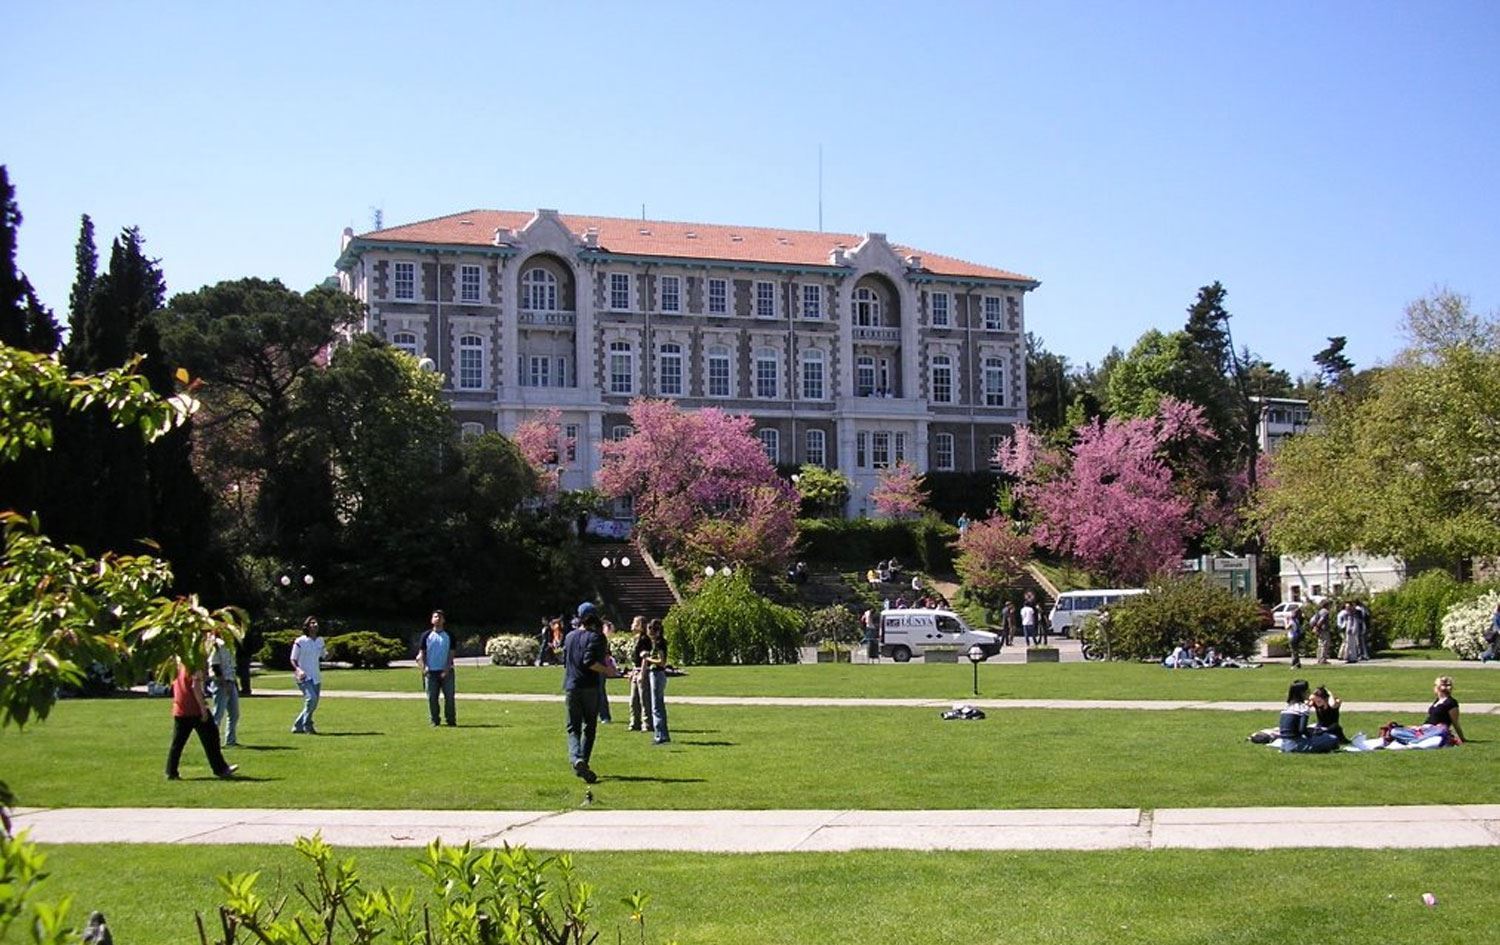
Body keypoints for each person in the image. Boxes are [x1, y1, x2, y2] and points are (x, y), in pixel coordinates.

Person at [562, 602, 618, 782]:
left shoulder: (569, 636)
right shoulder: (597, 637)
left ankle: (576, 758)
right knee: (590, 727)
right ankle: (583, 761)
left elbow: (565, 660)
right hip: (589, 687)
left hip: (571, 685)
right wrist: (608, 670)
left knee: (573, 728)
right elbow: (590, 662)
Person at [165, 660, 238, 780]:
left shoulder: (180, 663)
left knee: (178, 742)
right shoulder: (195, 664)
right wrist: (203, 709)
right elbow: (195, 687)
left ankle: (171, 771)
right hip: (194, 709)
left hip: (180, 707)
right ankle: (220, 769)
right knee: (211, 736)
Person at [417, 609, 456, 727]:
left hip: (446, 672)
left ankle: (451, 720)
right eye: (435, 617)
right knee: (432, 698)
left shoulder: (449, 635)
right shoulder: (426, 636)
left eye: (440, 617)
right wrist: (424, 668)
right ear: (431, 620)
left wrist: (447, 668)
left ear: (444, 620)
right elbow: (421, 654)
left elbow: (451, 654)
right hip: (431, 672)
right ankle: (434, 720)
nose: (437, 619)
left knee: (449, 697)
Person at [1276, 679, 1339, 753]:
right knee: (1333, 739)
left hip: (1284, 744)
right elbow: (1302, 730)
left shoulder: (1287, 707)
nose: (1309, 692)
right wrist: (1312, 735)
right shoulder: (1303, 708)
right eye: (1308, 690)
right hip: (1297, 744)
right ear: (1302, 693)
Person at [290, 616, 324, 734]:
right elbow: (293, 659)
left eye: (316, 623)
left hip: (316, 677)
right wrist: (298, 670)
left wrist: (331, 653)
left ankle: (297, 726)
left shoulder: (320, 641)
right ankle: (307, 725)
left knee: (313, 704)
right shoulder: (300, 641)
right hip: (303, 677)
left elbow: (324, 656)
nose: (315, 625)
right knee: (311, 699)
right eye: (312, 623)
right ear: (307, 626)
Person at [208, 632, 240, 747]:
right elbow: (215, 665)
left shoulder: (230, 645)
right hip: (221, 683)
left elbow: (232, 665)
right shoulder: (217, 645)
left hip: (231, 680)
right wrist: (223, 682)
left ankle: (231, 740)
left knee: (234, 714)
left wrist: (234, 682)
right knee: (218, 714)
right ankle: (213, 741)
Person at [643, 617, 671, 744]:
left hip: (657, 674)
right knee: (658, 705)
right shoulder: (655, 643)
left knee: (656, 706)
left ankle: (660, 735)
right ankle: (662, 734)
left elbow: (661, 661)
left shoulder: (659, 643)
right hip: (655, 674)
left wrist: (647, 658)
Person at [628, 616, 651, 731]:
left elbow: (645, 658)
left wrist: (642, 672)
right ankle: (634, 722)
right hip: (636, 670)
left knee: (644, 699)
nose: (632, 625)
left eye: (635, 623)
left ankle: (647, 723)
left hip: (642, 670)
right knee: (634, 699)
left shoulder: (644, 639)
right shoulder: (636, 639)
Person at [597, 620, 617, 724]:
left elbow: (606, 654)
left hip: (599, 667)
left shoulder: (601, 639)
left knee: (600, 692)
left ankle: (605, 716)